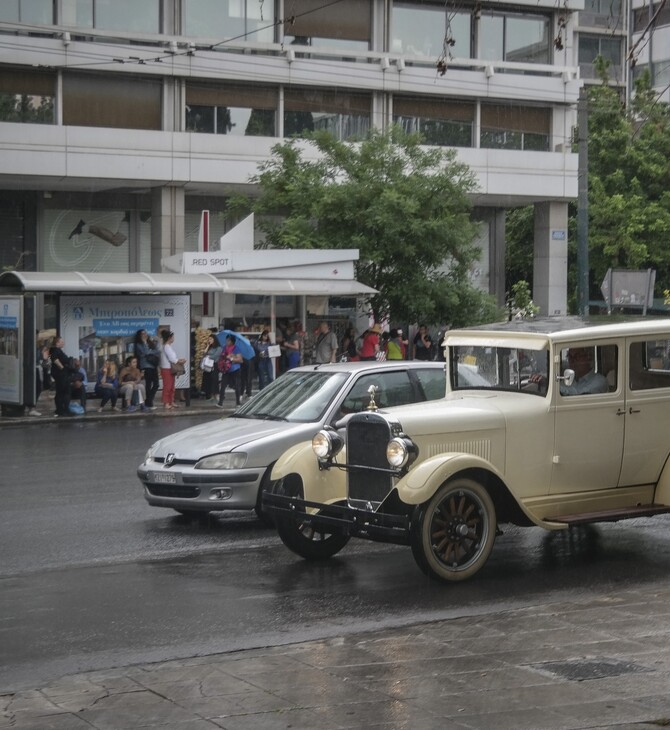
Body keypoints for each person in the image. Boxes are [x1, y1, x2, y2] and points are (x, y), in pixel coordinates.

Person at [159, 330, 186, 410]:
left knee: (171, 386)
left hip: (169, 368)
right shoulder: (166, 346)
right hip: (166, 368)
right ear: (169, 338)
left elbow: (172, 358)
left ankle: (171, 401)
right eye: (173, 337)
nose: (174, 338)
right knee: (168, 386)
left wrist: (178, 360)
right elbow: (172, 359)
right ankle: (166, 402)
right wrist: (179, 361)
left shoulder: (168, 346)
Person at [134, 329, 160, 409]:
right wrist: (145, 344)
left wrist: (150, 351)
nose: (145, 335)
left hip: (153, 365)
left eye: (145, 333)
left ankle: (149, 401)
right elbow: (145, 352)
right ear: (139, 335)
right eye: (142, 334)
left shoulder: (150, 342)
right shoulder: (139, 344)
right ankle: (149, 403)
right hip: (146, 366)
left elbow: (157, 351)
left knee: (156, 384)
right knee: (148, 385)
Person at [49, 335, 74, 417]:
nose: (63, 343)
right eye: (62, 342)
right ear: (57, 343)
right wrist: (63, 369)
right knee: (64, 392)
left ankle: (60, 409)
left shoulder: (56, 350)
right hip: (61, 375)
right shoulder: (56, 350)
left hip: (61, 374)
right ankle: (63, 410)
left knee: (60, 392)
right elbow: (55, 359)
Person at [216, 334, 243, 407]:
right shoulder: (224, 347)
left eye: (228, 340)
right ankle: (220, 402)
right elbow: (222, 356)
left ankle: (238, 402)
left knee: (237, 386)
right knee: (223, 386)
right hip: (226, 370)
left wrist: (231, 358)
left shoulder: (236, 348)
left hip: (235, 370)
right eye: (226, 340)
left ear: (232, 341)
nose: (227, 341)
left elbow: (240, 360)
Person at [201, 332, 222, 402]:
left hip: (214, 365)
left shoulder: (218, 348)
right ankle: (209, 395)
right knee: (207, 380)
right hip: (207, 366)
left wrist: (208, 356)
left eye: (211, 339)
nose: (209, 340)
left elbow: (216, 356)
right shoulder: (209, 347)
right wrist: (207, 346)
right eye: (208, 339)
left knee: (214, 380)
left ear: (214, 339)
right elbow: (204, 354)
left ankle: (216, 394)